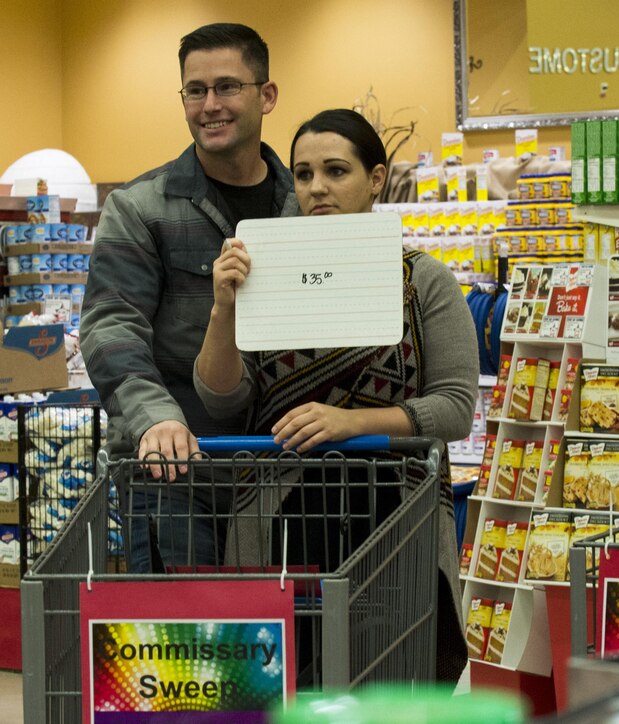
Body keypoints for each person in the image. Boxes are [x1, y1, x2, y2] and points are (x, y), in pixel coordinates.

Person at [194, 108, 478, 681]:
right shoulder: (261, 272)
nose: (316, 187)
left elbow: (455, 408)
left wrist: (352, 422)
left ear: (375, 179)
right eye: (302, 174)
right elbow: (221, 399)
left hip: (394, 523)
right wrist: (224, 308)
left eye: (335, 170)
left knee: (392, 682)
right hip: (279, 522)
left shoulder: (424, 281)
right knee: (283, 683)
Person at [81, 23, 298, 572]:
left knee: (298, 645)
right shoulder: (139, 208)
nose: (209, 105)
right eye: (195, 91)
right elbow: (111, 327)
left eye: (227, 87)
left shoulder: (305, 207)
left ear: (266, 95)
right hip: (177, 473)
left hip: (291, 473)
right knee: (184, 645)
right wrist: (155, 421)